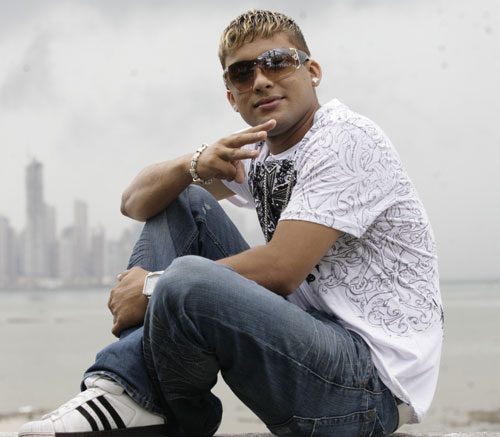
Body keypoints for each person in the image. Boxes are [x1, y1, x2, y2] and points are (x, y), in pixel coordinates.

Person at [19, 9, 443, 437]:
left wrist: (152, 287)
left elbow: (282, 268)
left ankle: (133, 392)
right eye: (243, 73)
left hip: (366, 389)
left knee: (186, 278)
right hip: (310, 347)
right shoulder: (258, 154)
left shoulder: (346, 139)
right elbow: (134, 203)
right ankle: (133, 397)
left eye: (277, 62)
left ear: (312, 71)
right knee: (184, 200)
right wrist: (193, 163)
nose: (260, 80)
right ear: (231, 97)